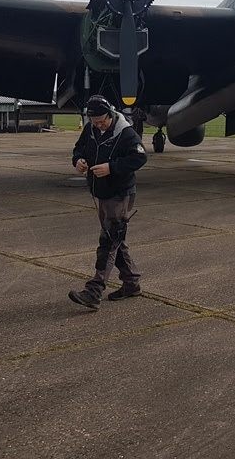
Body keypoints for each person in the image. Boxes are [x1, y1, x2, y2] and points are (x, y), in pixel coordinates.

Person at [68, 95, 147, 310]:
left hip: (120, 194)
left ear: (110, 114)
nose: (98, 125)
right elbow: (79, 148)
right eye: (94, 122)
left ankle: (94, 290)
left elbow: (140, 157)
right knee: (116, 240)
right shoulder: (91, 129)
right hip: (100, 193)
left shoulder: (126, 133)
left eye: (102, 121)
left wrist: (111, 168)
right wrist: (79, 161)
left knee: (109, 240)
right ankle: (131, 283)